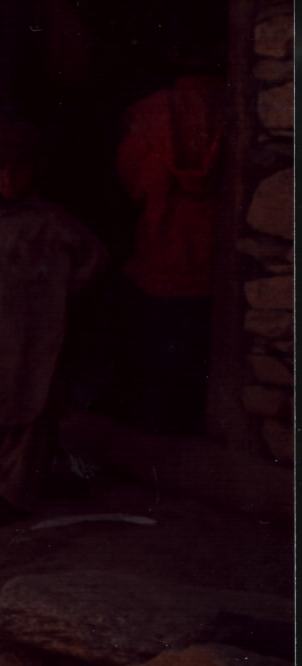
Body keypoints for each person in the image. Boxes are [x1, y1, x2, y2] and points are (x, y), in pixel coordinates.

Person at [0, 122, 105, 530]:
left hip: (29, 334)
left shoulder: (51, 221)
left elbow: (94, 258)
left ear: (37, 169)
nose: (8, 176)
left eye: (19, 168)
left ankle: (11, 495)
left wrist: (55, 293)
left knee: (26, 409)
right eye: (0, 168)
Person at [116, 61, 224, 434]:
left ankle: (154, 427)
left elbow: (131, 180)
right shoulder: (233, 103)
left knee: (157, 347)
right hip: (208, 258)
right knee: (197, 352)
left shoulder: (151, 111)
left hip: (159, 254)